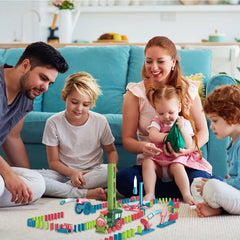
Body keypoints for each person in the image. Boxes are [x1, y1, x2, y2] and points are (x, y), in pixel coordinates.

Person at [116, 36, 211, 199]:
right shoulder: (135, 93)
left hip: (183, 163)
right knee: (124, 180)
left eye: (160, 61)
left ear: (173, 62)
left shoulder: (188, 89)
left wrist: (188, 149)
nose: (153, 67)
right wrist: (143, 147)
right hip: (153, 165)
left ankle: (165, 191)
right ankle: (176, 191)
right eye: (148, 61)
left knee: (199, 178)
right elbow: (128, 141)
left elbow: (204, 132)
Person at [0, 41, 68, 207]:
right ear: (25, 65)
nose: (44, 87)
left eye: (49, 83)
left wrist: (24, 178)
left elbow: (13, 137)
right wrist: (8, 174)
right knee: (2, 183)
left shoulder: (25, 96)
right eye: (43, 78)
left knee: (37, 183)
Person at [37, 72, 118, 200]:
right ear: (64, 96)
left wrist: (112, 176)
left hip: (92, 174)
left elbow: (111, 151)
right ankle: (85, 193)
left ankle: (62, 190)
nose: (79, 108)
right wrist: (73, 173)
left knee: (107, 171)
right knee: (34, 177)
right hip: (64, 174)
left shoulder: (100, 121)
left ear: (91, 103)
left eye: (85, 105)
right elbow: (53, 162)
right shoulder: (53, 122)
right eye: (74, 102)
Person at [142, 85, 212, 204]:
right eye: (161, 113)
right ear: (156, 110)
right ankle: (150, 193)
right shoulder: (157, 122)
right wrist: (169, 137)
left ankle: (186, 194)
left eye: (170, 112)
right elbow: (153, 136)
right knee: (147, 163)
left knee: (178, 167)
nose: (166, 117)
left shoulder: (183, 122)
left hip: (175, 160)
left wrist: (182, 129)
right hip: (158, 160)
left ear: (179, 107)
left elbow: (188, 143)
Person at [191, 85, 240, 217]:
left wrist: (224, 184)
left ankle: (219, 208)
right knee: (198, 183)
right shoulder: (233, 142)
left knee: (213, 186)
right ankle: (216, 208)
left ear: (233, 117)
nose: (211, 126)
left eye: (215, 121)